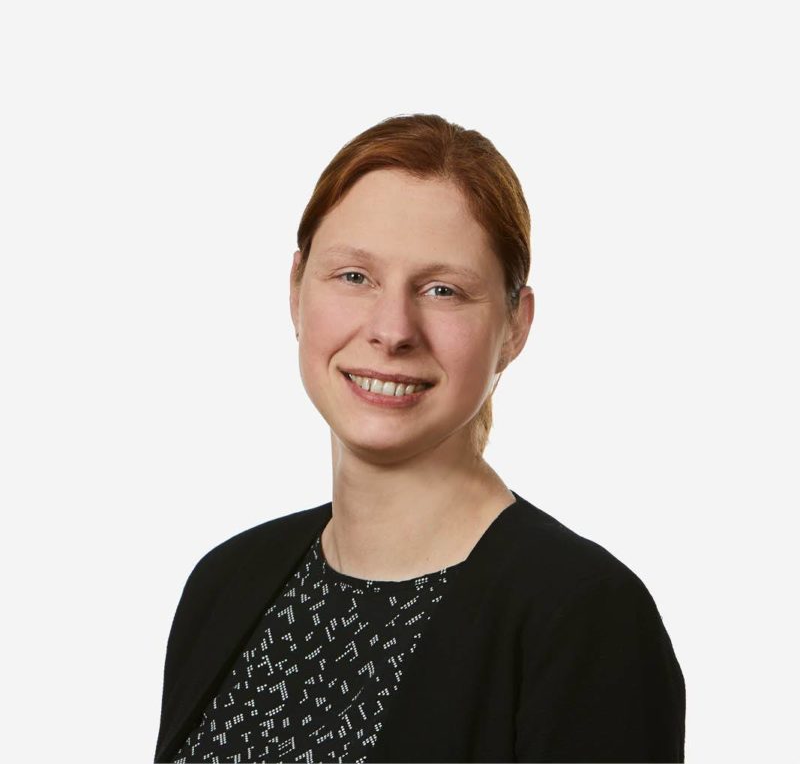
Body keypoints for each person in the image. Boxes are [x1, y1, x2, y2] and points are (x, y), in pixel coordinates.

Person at [154, 113, 686, 763]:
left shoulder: (583, 619)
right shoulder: (225, 584)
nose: (393, 329)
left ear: (516, 326)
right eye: (355, 276)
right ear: (296, 291)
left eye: (442, 290)